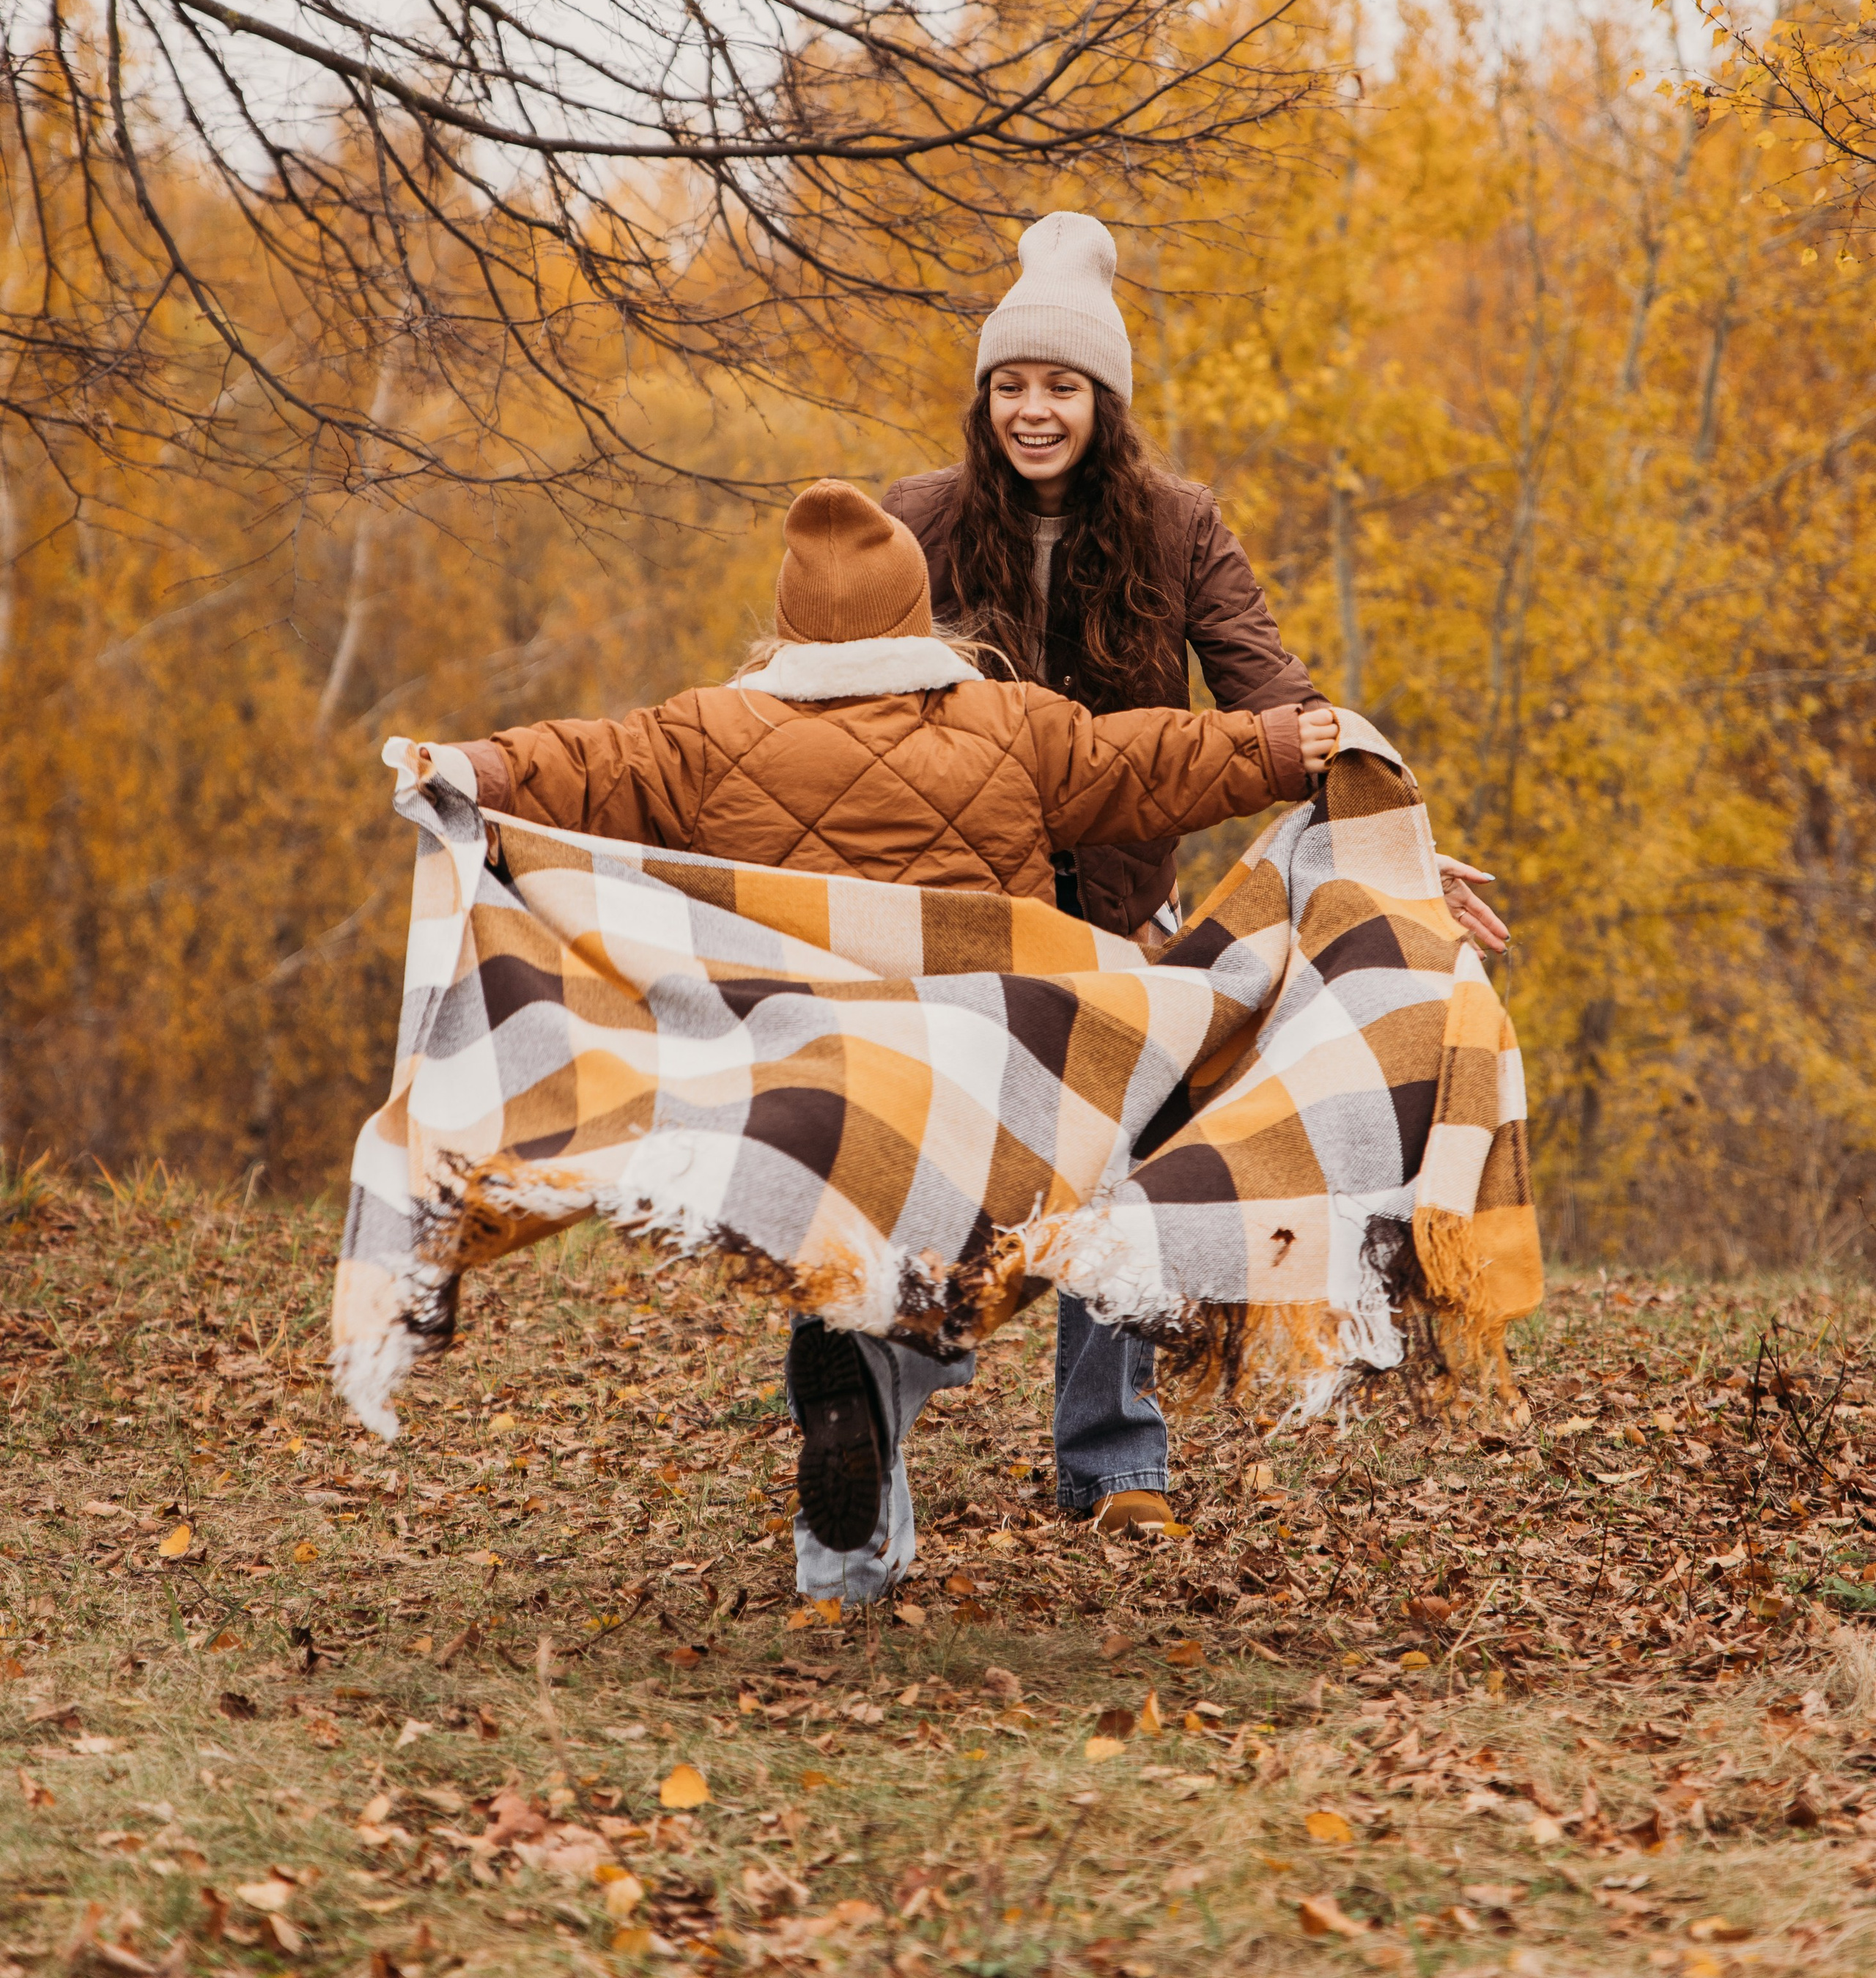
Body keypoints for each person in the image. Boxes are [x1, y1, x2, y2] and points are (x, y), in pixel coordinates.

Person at [455, 477, 1339, 1599]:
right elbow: (1148, 762)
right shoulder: (1006, 723)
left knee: (854, 1274)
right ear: (920, 616)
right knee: (961, 1273)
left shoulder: (709, 733)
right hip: (979, 1071)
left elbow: (573, 765)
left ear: (784, 624)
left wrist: (465, 771)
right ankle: (890, 1403)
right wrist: (1278, 744)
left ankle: (846, 1558)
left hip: (807, 1074)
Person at [881, 211, 1507, 1540]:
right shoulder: (918, 524)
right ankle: (865, 1444)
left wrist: (1392, 848)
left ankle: (1113, 1467)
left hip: (1120, 919)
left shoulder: (1176, 526)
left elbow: (1275, 695)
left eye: (1061, 388)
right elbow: (834, 708)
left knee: (1124, 1175)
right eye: (1012, 385)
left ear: (1105, 403)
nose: (1034, 412)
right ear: (983, 396)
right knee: (931, 1179)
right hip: (953, 915)